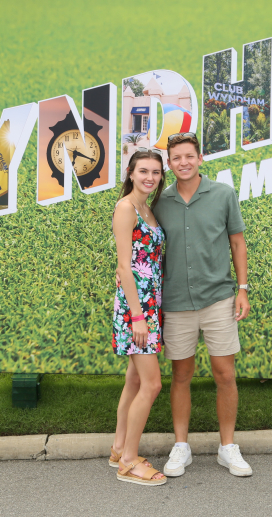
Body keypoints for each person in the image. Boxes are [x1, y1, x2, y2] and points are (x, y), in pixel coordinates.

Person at [152, 132, 252, 477]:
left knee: (225, 374)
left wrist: (242, 289)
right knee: (181, 375)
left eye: (189, 156)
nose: (183, 162)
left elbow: (237, 243)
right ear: (169, 163)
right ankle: (181, 446)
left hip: (218, 298)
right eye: (176, 157)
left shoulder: (223, 194)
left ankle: (228, 447)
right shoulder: (160, 202)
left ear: (200, 158)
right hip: (176, 301)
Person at [110, 149, 168, 486]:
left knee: (134, 381)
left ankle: (119, 448)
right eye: (143, 171)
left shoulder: (147, 209)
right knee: (152, 383)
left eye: (156, 172)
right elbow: (124, 267)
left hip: (149, 306)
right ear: (131, 173)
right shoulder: (126, 208)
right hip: (136, 310)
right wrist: (137, 316)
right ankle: (130, 462)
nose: (150, 177)